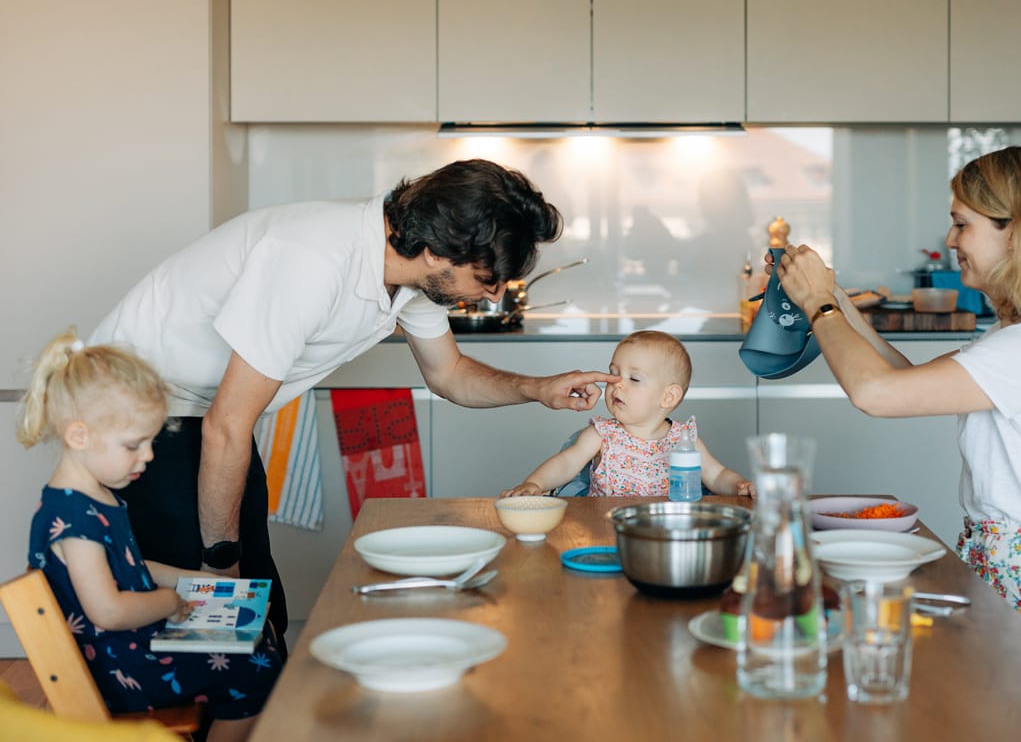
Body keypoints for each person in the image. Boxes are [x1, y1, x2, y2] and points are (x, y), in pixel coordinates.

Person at [89, 159, 619, 646]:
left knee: (254, 611)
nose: (494, 295)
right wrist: (220, 564)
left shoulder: (409, 276)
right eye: (486, 279)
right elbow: (227, 426)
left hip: (206, 415)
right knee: (206, 621)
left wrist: (537, 387)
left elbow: (451, 374)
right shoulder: (313, 259)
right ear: (437, 251)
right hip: (135, 417)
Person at [773, 145, 1021, 672]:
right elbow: (903, 378)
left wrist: (818, 306)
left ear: (1018, 232)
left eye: (961, 225)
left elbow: (877, 394)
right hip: (1018, 585)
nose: (951, 240)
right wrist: (834, 298)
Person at [18, 329, 281, 742]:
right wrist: (169, 602)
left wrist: (199, 583)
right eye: (134, 445)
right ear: (79, 436)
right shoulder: (73, 517)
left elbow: (130, 566)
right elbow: (108, 611)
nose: (149, 456)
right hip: (122, 670)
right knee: (258, 668)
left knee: (254, 635)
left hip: (130, 649)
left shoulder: (92, 496)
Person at [501, 330, 752, 498]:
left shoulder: (685, 440)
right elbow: (566, 463)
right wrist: (534, 484)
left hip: (665, 534)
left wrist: (740, 487)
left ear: (668, 397)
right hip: (604, 530)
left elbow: (717, 475)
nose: (617, 384)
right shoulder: (601, 435)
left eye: (634, 378)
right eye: (614, 374)